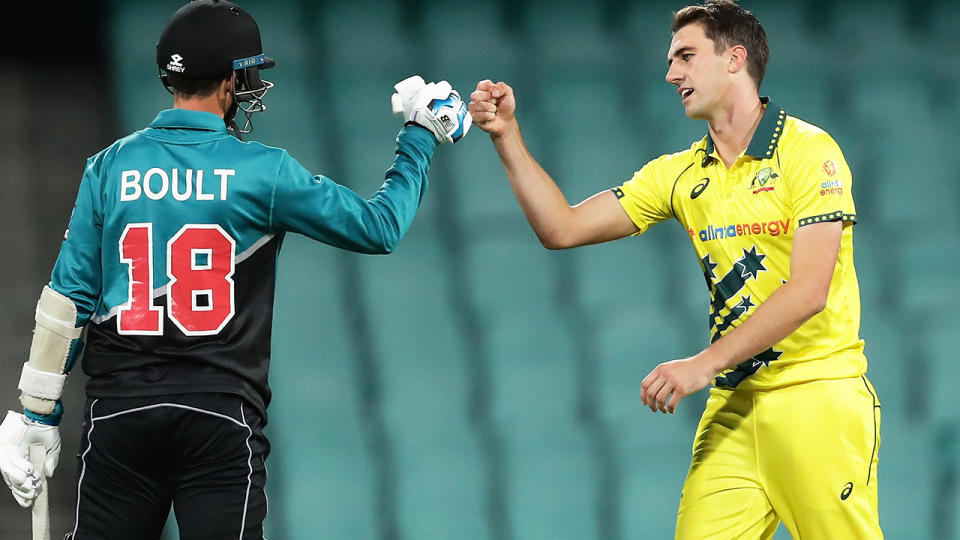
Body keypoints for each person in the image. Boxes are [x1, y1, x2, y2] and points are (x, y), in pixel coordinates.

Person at [0, 0, 470, 538]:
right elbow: (378, 227)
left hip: (120, 413)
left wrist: (36, 412)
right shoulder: (264, 172)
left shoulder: (110, 166)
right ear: (229, 82)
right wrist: (420, 134)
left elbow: (67, 302)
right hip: (219, 414)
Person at [468, 1, 882, 538]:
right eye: (671, 61)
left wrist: (703, 364)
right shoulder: (680, 174)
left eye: (685, 56)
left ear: (735, 59)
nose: (671, 74)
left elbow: (808, 292)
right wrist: (507, 135)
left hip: (818, 398)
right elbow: (561, 228)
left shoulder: (809, 151)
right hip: (733, 410)